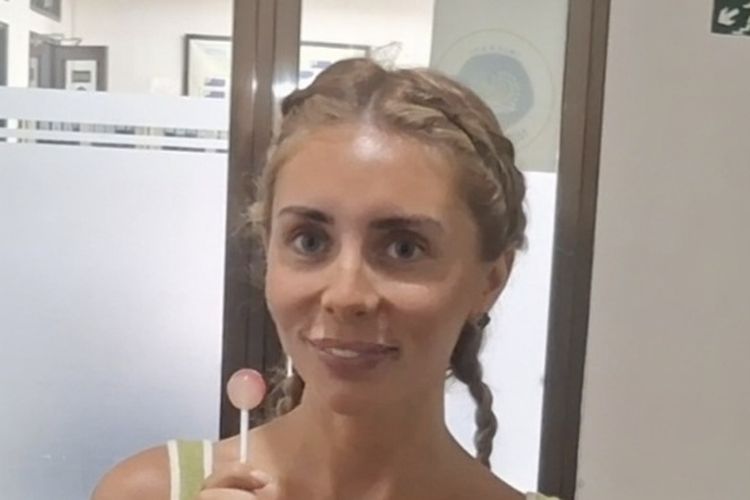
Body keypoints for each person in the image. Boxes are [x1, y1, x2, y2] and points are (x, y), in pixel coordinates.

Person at [92, 58, 558, 500]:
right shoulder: (152, 492)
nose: (346, 295)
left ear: (490, 281)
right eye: (310, 241)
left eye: (404, 248)